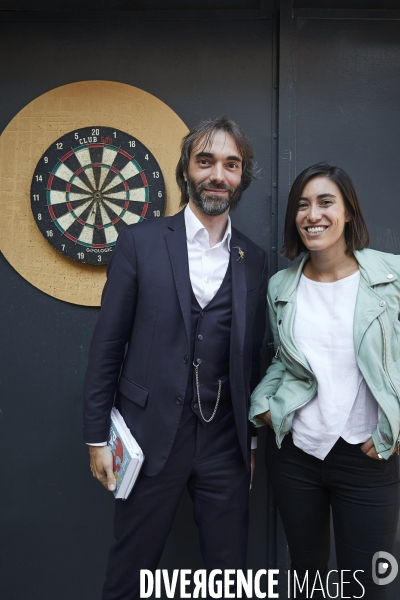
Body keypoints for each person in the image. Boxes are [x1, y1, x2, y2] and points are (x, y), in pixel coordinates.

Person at [84, 116, 268, 599]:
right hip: (149, 438)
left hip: (225, 443)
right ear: (186, 169)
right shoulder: (140, 243)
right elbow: (108, 344)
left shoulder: (254, 257)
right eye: (205, 161)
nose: (217, 174)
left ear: (241, 176)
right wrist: (95, 436)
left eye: (231, 164)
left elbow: (251, 359)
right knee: (131, 572)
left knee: (229, 581)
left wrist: (248, 444)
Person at [249, 163, 400, 599]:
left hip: (369, 457)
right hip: (297, 452)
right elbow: (283, 360)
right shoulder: (282, 285)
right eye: (302, 204)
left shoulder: (389, 277)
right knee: (306, 575)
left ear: (348, 211)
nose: (312, 214)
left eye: (325, 202)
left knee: (368, 581)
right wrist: (263, 402)